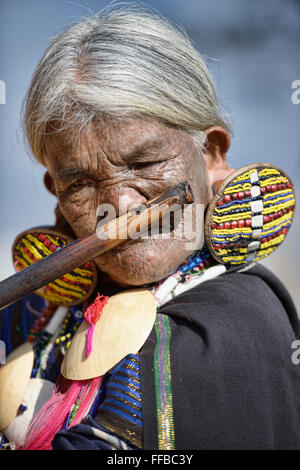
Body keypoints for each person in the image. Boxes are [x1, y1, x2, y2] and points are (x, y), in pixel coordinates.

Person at [0, 7, 299, 450]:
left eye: (145, 163)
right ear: (57, 194)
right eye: (80, 184)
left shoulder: (233, 323)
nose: (121, 206)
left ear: (212, 154)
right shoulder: (33, 313)